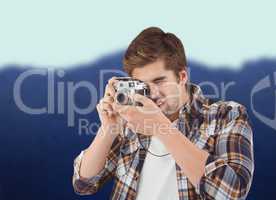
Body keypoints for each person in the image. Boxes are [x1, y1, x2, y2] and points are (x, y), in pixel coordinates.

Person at [72, 27, 254, 200]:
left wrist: (161, 127)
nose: (153, 93)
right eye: (143, 85)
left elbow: (232, 193)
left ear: (182, 77)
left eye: (159, 81)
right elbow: (84, 184)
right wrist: (109, 129)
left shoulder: (226, 115)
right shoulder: (131, 121)